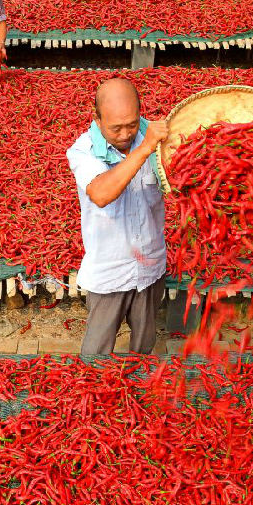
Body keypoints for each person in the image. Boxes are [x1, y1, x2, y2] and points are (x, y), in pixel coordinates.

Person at [67, 78, 169, 355]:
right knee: (97, 352)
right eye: (116, 128)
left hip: (150, 264)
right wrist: (144, 147)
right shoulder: (83, 150)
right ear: (97, 119)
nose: (126, 134)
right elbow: (101, 194)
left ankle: (137, 392)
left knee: (144, 346)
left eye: (132, 124)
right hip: (109, 270)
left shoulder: (159, 138)